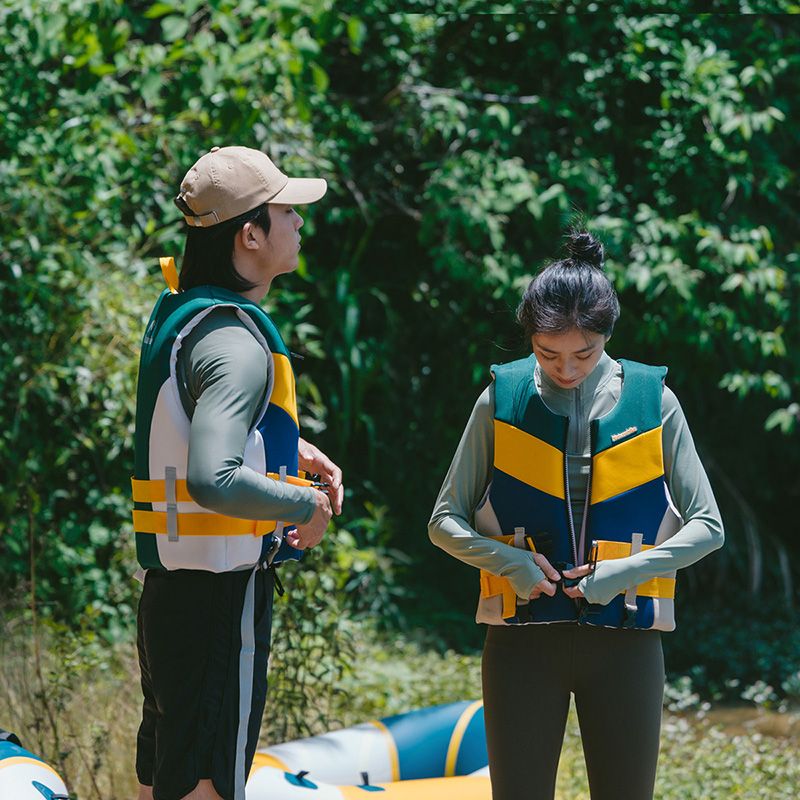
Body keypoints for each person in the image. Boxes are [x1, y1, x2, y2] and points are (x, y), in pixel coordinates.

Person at [428, 230, 724, 800]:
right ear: (530, 338)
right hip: (520, 645)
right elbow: (444, 520)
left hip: (627, 646)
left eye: (583, 354)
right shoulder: (500, 400)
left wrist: (624, 572)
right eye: (547, 354)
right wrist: (510, 563)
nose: (565, 368)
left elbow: (708, 527)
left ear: (607, 334)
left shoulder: (656, 402)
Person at [131, 145, 344, 800]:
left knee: (165, 779)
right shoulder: (236, 344)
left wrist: (285, 449)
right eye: (286, 211)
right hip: (219, 606)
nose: (299, 222)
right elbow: (213, 478)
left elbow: (190, 426)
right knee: (207, 786)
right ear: (250, 235)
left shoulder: (189, 317)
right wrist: (305, 504)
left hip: (171, 597)